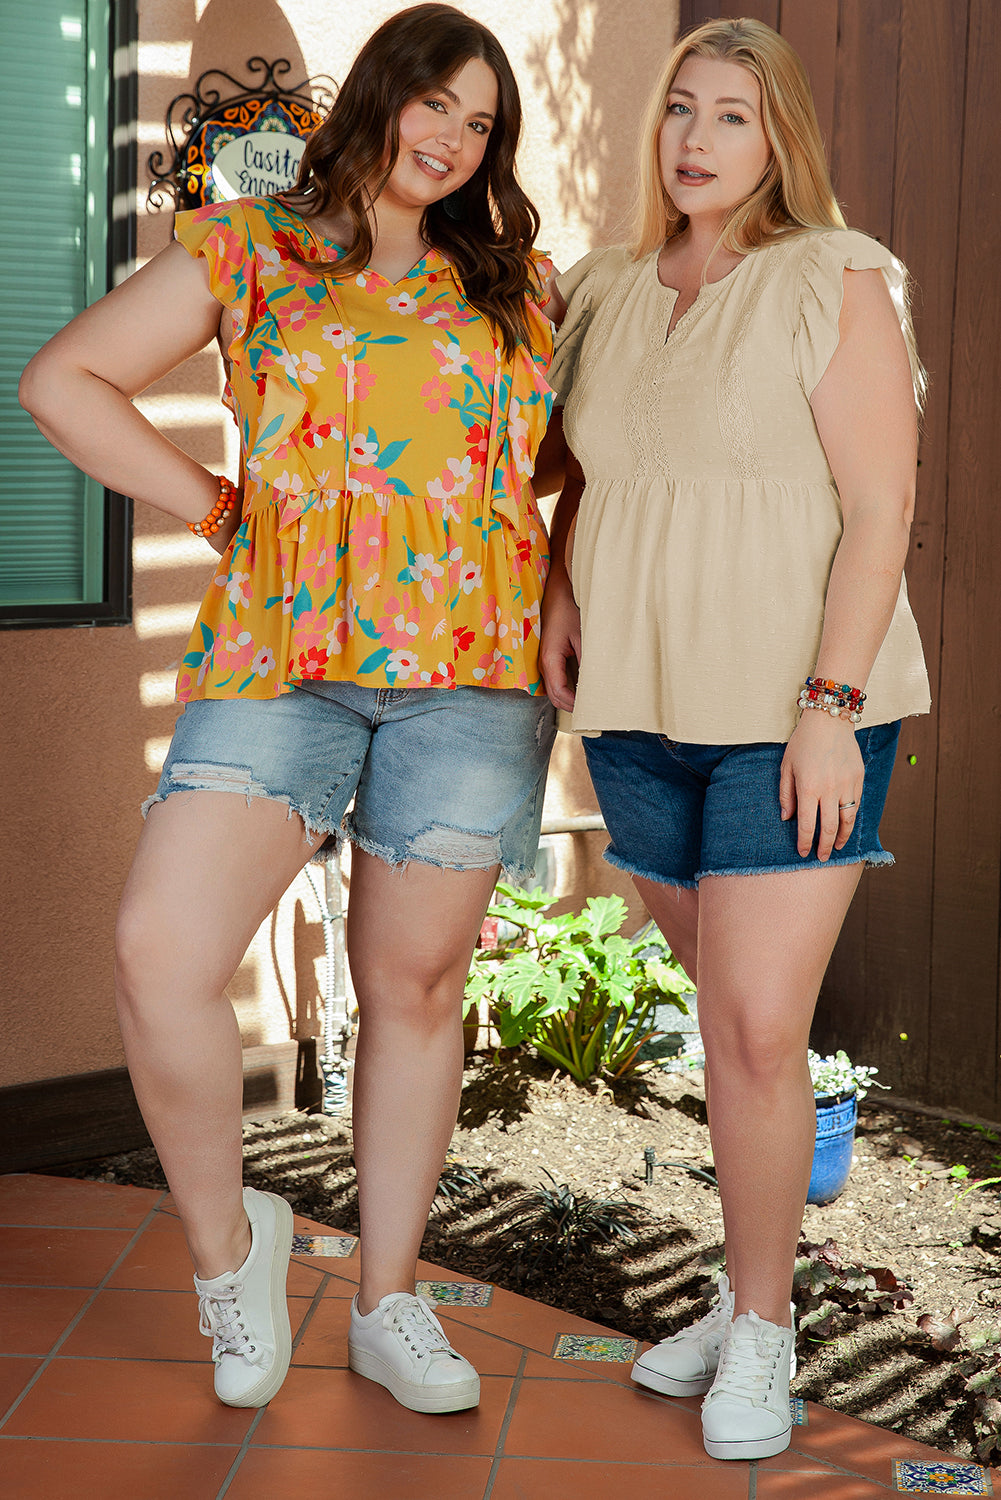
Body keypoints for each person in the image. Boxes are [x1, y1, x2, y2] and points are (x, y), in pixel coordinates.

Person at [20, 2, 557, 1414]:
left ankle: (387, 1303)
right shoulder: (250, 246)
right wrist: (208, 498)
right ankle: (229, 1252)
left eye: (481, 122)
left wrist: (565, 605)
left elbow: (579, 473)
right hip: (280, 658)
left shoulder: (520, 286)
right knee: (160, 949)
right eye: (433, 102)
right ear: (376, 96)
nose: (450, 137)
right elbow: (61, 381)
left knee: (412, 992)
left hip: (472, 677)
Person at [540, 16, 928, 1463]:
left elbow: (881, 507)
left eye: (733, 118)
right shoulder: (604, 289)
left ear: (780, 144)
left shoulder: (832, 277)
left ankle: (763, 1333)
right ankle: (740, 1284)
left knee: (759, 1031)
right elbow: (582, 475)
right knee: (730, 1027)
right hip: (636, 710)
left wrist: (827, 711)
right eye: (679, 112)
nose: (695, 141)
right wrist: (555, 583)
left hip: (795, 718)